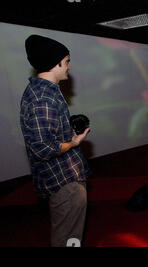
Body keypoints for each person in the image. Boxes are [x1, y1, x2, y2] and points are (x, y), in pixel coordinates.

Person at [20, 34, 90, 247]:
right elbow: (42, 148)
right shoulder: (44, 98)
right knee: (66, 238)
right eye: (67, 62)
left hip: (64, 178)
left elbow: (47, 133)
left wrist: (68, 128)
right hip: (64, 183)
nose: (69, 67)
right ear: (55, 63)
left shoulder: (45, 91)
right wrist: (74, 143)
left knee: (70, 237)